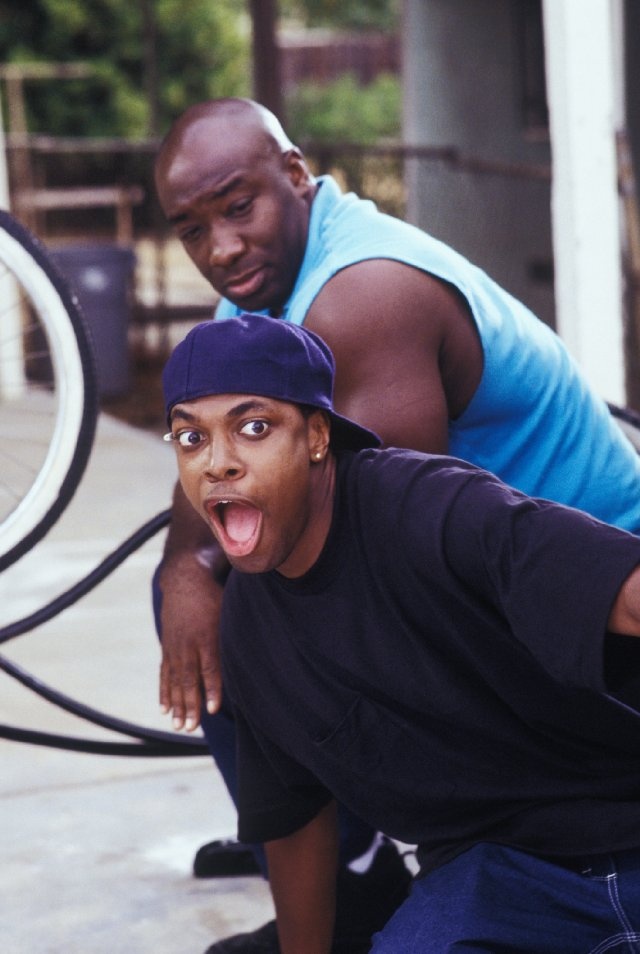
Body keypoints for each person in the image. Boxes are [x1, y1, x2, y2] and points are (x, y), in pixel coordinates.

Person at [153, 98, 640, 951]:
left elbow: (375, 559)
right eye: (190, 230)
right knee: (230, 619)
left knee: (287, 625)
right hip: (489, 594)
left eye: (238, 206)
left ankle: (373, 865)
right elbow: (213, 497)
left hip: (578, 594)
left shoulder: (364, 295)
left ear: (297, 174)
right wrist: (185, 576)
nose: (220, 248)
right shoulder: (250, 310)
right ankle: (354, 877)